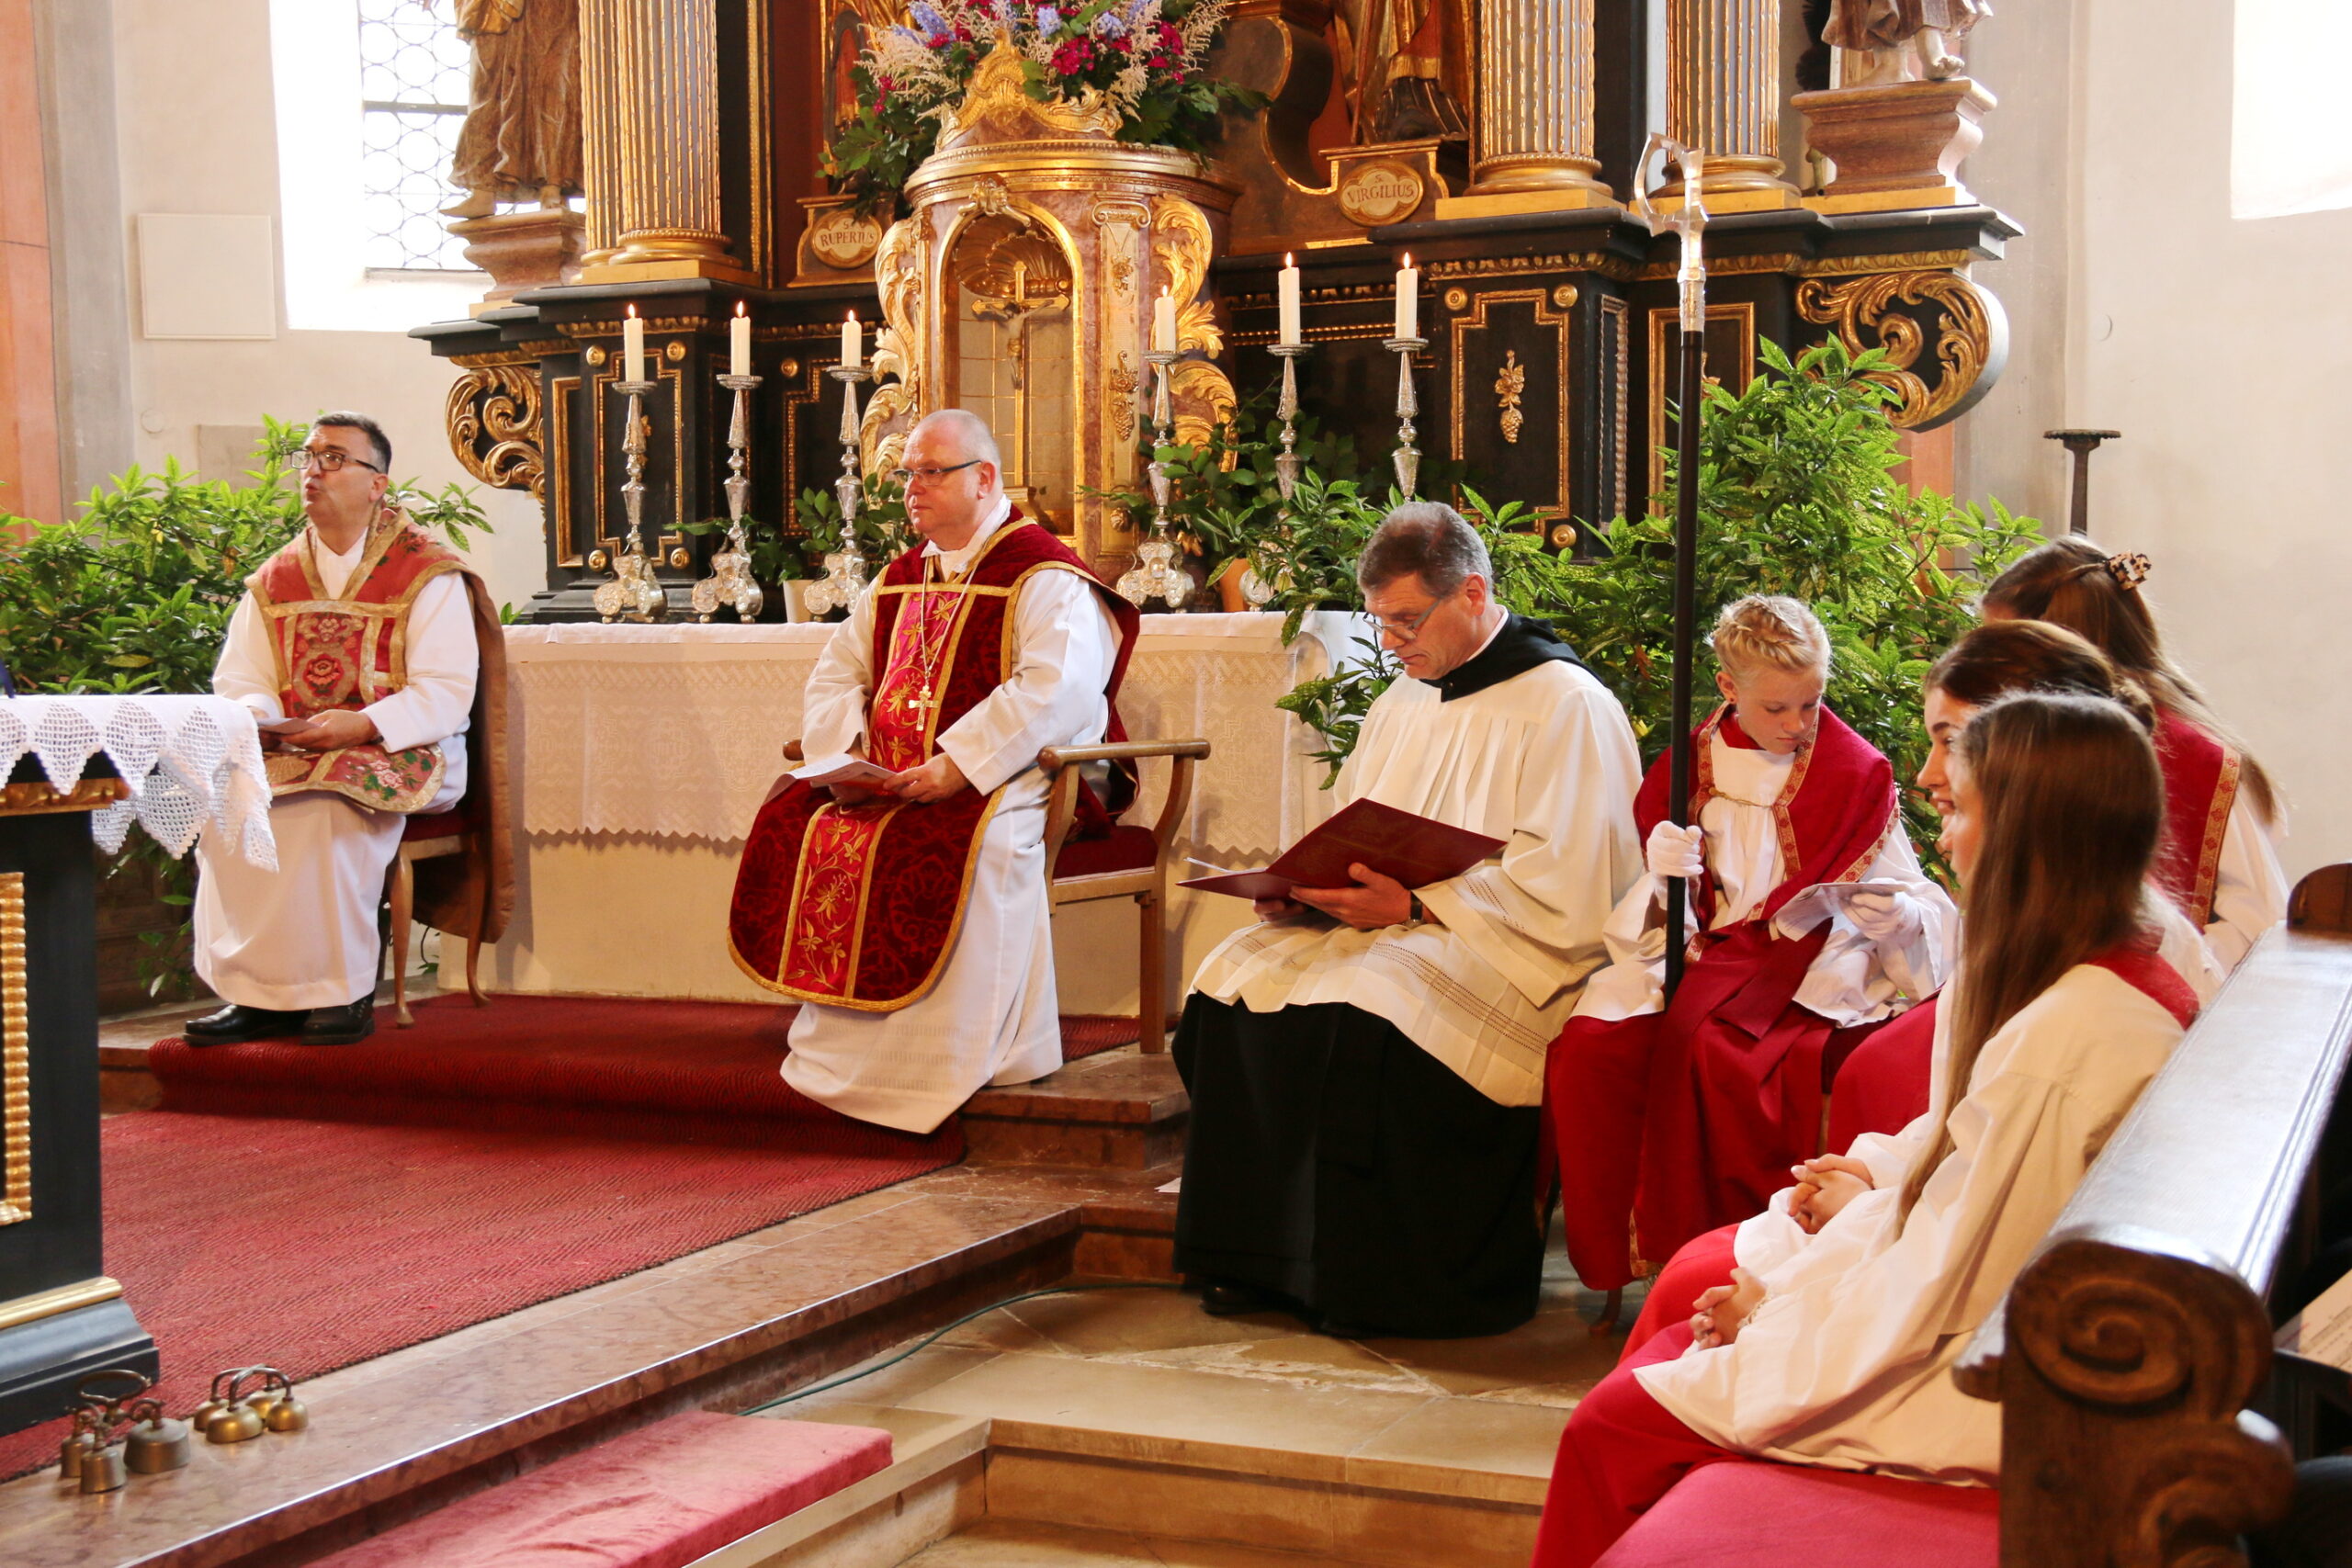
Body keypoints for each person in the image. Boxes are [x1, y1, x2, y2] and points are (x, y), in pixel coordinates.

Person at [1531, 692, 2199, 1567]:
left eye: (1960, 810)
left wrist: (1778, 1310)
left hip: (2002, 1379)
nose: (1946, 839)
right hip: (2002, 1324)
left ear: (2028, 834)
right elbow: (1959, 1201)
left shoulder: (2068, 1034)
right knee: (1669, 1356)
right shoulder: (2104, 975)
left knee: (1613, 1424)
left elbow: (1951, 1273)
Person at [1621, 619, 2222, 1356]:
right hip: (1924, 1225)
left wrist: (1793, 1288)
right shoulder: (2043, 937)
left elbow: (1977, 1239)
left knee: (1678, 1329)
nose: (1928, 773)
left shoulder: (2084, 1007)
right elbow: (1966, 1132)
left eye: (1950, 742)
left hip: (1974, 1313)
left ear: (2032, 775)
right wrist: (1873, 1169)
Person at [1173, 502, 1642, 1339]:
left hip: (1512, 948)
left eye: (1405, 620)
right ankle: (1260, 1261)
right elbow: (1357, 822)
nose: (1391, 642)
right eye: (1380, 622)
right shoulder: (1406, 697)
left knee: (1366, 1012)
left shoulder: (1567, 703)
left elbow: (1577, 885)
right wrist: (1305, 888)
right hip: (1391, 924)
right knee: (1229, 985)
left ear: (1472, 593)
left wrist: (1423, 904)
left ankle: (1369, 1281)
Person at [727, 410, 1136, 1134]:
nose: (912, 487)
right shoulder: (898, 579)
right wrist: (845, 760)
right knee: (798, 816)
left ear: (984, 478)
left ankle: (953, 1055)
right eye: (907, 473)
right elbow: (837, 673)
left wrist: (959, 766)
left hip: (1015, 773)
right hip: (892, 777)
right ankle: (845, 1047)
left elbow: (1060, 689)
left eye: (931, 472)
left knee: (972, 841)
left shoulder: (1042, 574)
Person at [1548, 597, 1953, 1298]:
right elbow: (1667, 915)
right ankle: (1631, 1264)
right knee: (1589, 1048)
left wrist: (1899, 919)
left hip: (1820, 959)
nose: (1799, 725)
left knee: (1725, 1052)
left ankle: (1743, 1262)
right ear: (1728, 687)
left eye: (1812, 702)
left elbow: (1910, 892)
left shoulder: (1852, 769)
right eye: (1777, 708)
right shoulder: (1689, 766)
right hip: (1700, 948)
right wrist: (1666, 875)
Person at [187, 413, 505, 1047]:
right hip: (294, 745)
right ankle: (258, 992)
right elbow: (242, 674)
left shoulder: (426, 573)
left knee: (325, 809)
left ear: (377, 483)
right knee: (231, 801)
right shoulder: (275, 578)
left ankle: (340, 990)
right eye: (308, 457)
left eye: (334, 458)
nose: (314, 471)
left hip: (401, 745)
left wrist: (359, 724)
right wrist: (262, 719)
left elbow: (446, 691)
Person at [1983, 536, 2286, 971]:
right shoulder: (2048, 746)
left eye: (2004, 653)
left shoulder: (2189, 757)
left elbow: (2258, 925)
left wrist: (2153, 963)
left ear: (2058, 644)